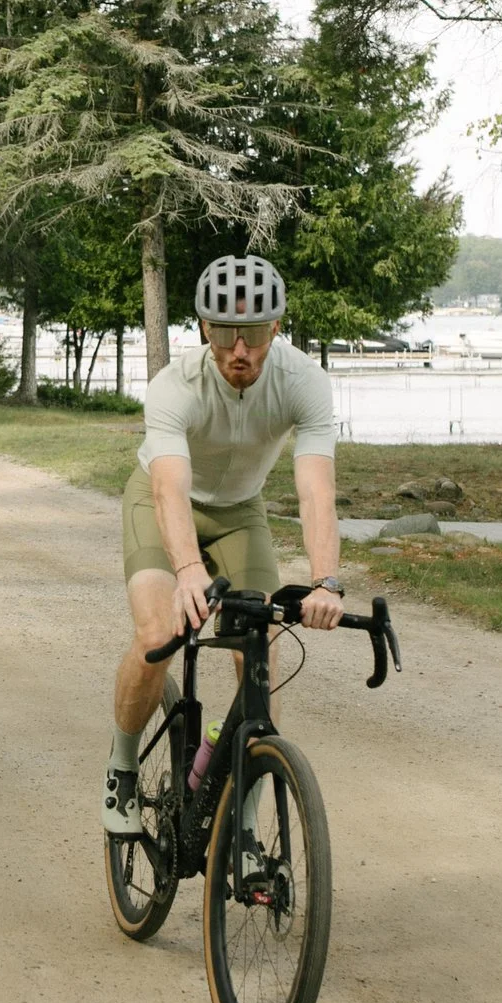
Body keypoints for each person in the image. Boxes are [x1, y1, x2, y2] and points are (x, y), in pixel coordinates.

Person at [104, 254, 344, 834]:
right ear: (205, 328)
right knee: (159, 634)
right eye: (227, 332)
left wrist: (326, 580)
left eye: (255, 333)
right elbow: (168, 487)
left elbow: (316, 494)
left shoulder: (304, 381)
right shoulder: (175, 386)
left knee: (256, 645)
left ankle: (247, 812)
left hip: (242, 511)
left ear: (276, 328)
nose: (241, 350)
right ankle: (123, 766)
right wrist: (187, 568)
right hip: (164, 502)